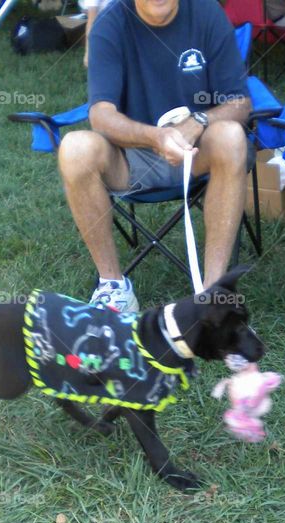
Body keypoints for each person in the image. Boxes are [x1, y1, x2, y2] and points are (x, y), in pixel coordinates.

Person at [58, 0, 252, 312]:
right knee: (75, 147)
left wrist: (199, 122)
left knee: (231, 135)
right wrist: (155, 136)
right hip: (133, 157)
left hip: (198, 152)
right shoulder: (110, 24)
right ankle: (113, 287)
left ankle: (214, 293)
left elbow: (240, 102)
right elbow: (101, 115)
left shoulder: (206, 13)